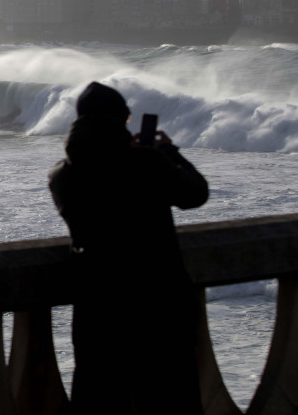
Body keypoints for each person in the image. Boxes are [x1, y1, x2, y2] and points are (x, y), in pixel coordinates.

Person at [48, 81, 208, 415]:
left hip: (99, 305)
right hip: (158, 303)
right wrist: (168, 152)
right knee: (169, 395)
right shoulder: (146, 163)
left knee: (99, 395)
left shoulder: (62, 177)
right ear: (121, 120)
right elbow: (196, 194)